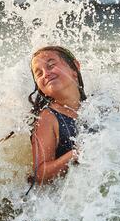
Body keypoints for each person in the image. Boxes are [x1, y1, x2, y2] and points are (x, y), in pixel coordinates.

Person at [27, 45, 86, 190]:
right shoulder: (47, 118)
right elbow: (39, 174)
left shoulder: (99, 105)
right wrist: (74, 156)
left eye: (51, 65)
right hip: (68, 198)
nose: (46, 73)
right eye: (39, 73)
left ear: (75, 68)